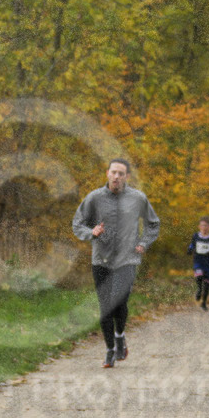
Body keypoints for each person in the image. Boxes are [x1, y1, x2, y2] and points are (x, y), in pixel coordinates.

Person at [72, 158, 160, 368]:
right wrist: (91, 232)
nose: (117, 177)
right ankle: (110, 350)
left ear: (127, 177)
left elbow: (153, 224)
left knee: (119, 302)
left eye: (121, 173)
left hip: (127, 259)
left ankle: (120, 334)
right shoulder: (94, 198)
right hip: (101, 260)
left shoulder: (138, 198)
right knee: (105, 308)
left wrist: (144, 243)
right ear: (107, 174)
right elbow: (77, 223)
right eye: (114, 172)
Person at [187, 216, 209, 311]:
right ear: (199, 226)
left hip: (208, 264)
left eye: (206, 225)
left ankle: (204, 303)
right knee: (199, 276)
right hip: (198, 261)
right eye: (202, 225)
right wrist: (190, 249)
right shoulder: (196, 236)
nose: (204, 227)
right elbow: (193, 244)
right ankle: (199, 290)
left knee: (207, 284)